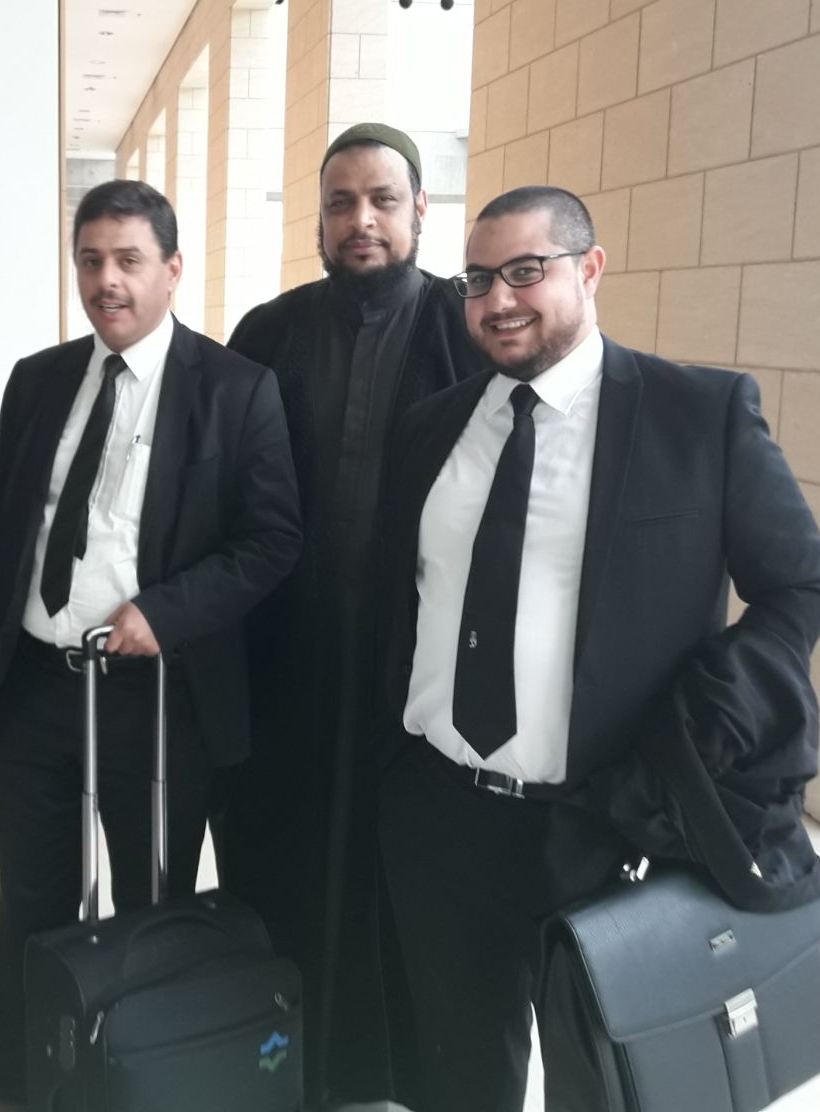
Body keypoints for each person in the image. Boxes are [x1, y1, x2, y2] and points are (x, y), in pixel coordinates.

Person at [375, 185, 820, 1111]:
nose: (498, 299)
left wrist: (706, 723)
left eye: (525, 271)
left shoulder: (696, 414)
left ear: (590, 269)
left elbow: (799, 586)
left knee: (613, 1084)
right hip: (444, 816)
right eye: (478, 280)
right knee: (456, 1076)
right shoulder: (433, 428)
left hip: (609, 822)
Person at [0, 179, 303, 1111]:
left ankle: (144, 1083)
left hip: (156, 700)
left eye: (128, 260)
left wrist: (169, 612)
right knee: (30, 902)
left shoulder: (236, 389)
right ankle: (18, 1085)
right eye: (90, 260)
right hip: (35, 688)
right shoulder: (38, 378)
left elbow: (273, 539)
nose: (106, 280)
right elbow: (10, 525)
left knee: (152, 906)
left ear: (172, 269)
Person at [218, 122, 482, 1107]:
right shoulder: (267, 332)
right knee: (278, 859)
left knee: (399, 872)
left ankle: (382, 1069)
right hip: (286, 664)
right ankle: (273, 1056)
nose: (361, 219)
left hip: (413, 673)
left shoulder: (464, 329)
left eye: (382, 200)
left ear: (421, 211)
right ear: (319, 220)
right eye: (340, 203)